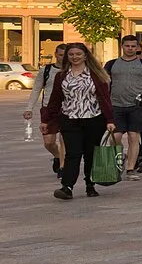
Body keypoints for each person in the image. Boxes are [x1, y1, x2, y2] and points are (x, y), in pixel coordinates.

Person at [40, 42, 114, 200]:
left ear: (86, 56)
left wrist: (110, 119)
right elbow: (55, 100)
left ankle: (90, 184)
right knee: (72, 153)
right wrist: (47, 120)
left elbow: (104, 99)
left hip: (94, 119)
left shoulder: (96, 74)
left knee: (90, 153)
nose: (75, 57)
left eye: (78, 54)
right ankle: (67, 187)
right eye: (71, 54)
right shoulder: (62, 76)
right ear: (67, 56)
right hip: (69, 119)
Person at [106, 34, 142, 175]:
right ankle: (120, 156)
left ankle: (130, 168)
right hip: (116, 105)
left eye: (133, 46)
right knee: (115, 137)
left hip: (137, 105)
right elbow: (104, 84)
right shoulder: (111, 64)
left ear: (137, 48)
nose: (130, 49)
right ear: (122, 46)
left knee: (133, 136)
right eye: (127, 46)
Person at [24, 47, 64, 177]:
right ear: (55, 55)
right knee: (49, 142)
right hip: (49, 109)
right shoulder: (46, 70)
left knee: (65, 140)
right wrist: (29, 108)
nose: (63, 57)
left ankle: (63, 168)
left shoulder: (72, 70)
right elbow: (36, 89)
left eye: (65, 55)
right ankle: (57, 156)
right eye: (60, 55)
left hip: (68, 109)